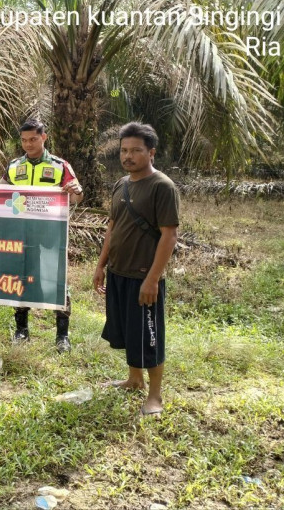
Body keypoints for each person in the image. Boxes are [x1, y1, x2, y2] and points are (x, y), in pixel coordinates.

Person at [0, 119, 84, 352]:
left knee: (57, 280)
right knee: (21, 278)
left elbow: (76, 197)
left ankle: (62, 336)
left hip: (51, 235)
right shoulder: (14, 166)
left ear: (44, 137)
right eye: (23, 140)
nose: (28, 144)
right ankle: (21, 330)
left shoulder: (60, 165)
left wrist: (76, 191)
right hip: (21, 234)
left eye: (33, 139)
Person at [93, 122, 179, 417]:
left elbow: (169, 234)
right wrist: (101, 265)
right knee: (129, 332)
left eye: (136, 150)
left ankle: (155, 396)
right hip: (118, 272)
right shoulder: (122, 184)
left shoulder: (162, 187)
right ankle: (134, 379)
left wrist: (152, 279)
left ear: (151, 152)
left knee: (150, 336)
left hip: (143, 276)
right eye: (124, 150)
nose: (128, 156)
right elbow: (112, 227)